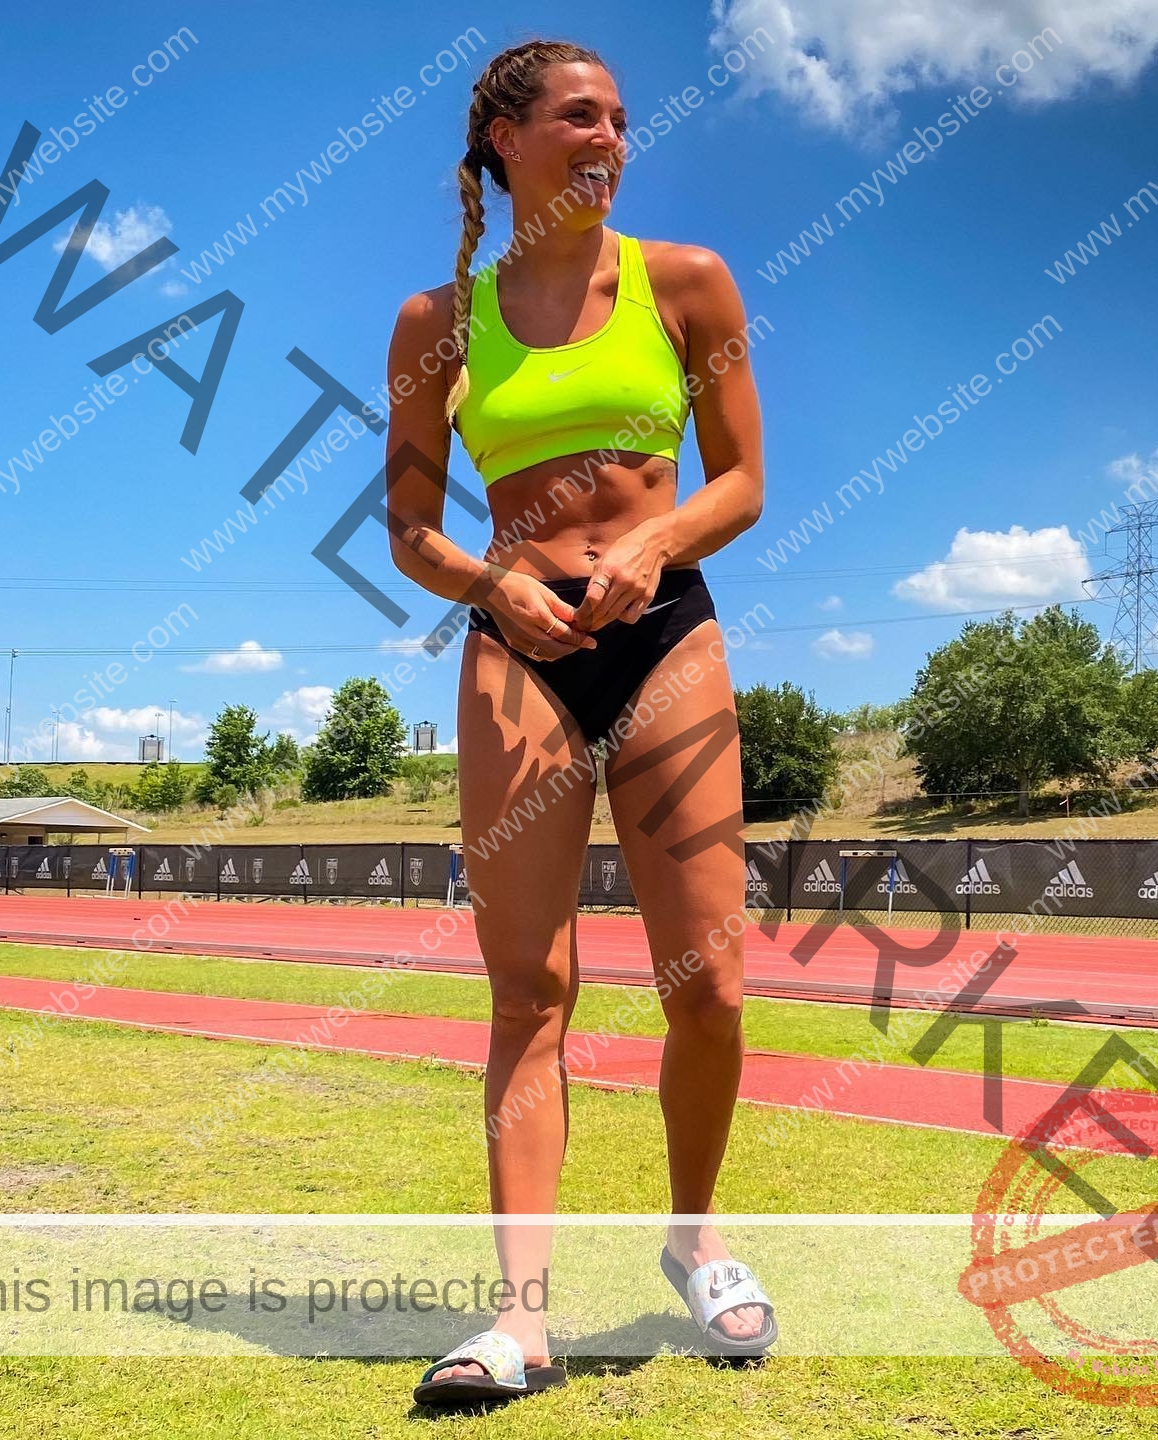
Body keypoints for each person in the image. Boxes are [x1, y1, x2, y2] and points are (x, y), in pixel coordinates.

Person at [385, 38, 772, 1408]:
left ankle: (695, 1239)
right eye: (578, 116)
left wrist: (656, 541)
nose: (608, 137)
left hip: (666, 639)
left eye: (619, 118)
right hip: (517, 651)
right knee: (528, 994)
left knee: (709, 986)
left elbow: (742, 481)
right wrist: (492, 583)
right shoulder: (436, 321)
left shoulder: (687, 282)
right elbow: (410, 526)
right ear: (506, 140)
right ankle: (519, 1319)